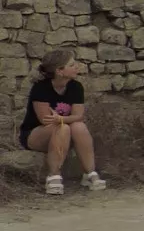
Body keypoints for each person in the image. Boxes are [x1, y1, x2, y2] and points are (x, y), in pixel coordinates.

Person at [18, 49, 108, 195]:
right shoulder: (41, 88)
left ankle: (90, 173)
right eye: (71, 65)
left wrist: (61, 119)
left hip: (64, 132)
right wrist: (64, 121)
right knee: (62, 128)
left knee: (79, 126)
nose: (76, 67)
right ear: (59, 71)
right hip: (36, 134)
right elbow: (45, 120)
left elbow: (79, 116)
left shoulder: (76, 87)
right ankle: (53, 176)